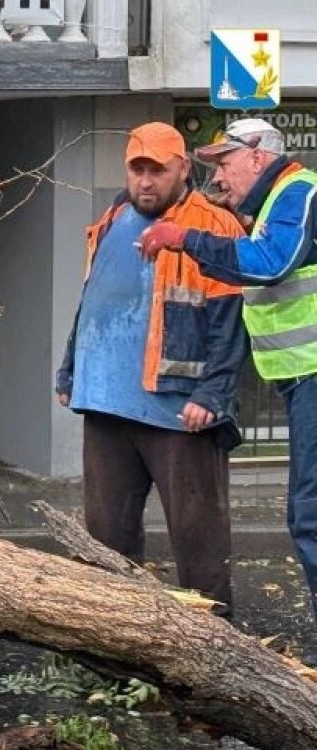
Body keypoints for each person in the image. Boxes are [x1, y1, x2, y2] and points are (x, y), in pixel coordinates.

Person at [57, 122, 248, 617]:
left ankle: (215, 646)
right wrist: (70, 371)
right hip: (105, 403)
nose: (146, 181)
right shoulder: (115, 216)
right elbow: (94, 300)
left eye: (156, 171)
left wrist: (212, 395)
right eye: (137, 169)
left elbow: (231, 321)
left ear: (183, 168)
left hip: (179, 411)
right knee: (107, 539)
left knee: (199, 538)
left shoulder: (212, 225)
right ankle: (117, 641)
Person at [140, 118, 317, 631]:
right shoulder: (270, 207)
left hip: (313, 377)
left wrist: (185, 237)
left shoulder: (298, 192)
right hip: (303, 377)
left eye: (226, 160)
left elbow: (269, 265)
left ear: (258, 155)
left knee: (310, 515)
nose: (219, 174)